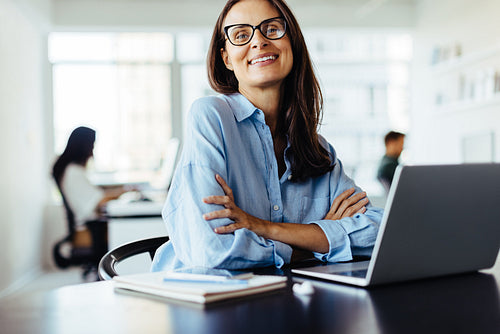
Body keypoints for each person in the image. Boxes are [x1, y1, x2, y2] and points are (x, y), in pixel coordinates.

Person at [152, 0, 383, 272]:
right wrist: (310, 243)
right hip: (203, 300)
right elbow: (211, 251)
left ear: (292, 43)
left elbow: (378, 232)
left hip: (289, 298)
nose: (259, 41)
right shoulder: (211, 117)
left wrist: (264, 228)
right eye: (240, 34)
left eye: (272, 29)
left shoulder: (318, 149)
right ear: (226, 57)